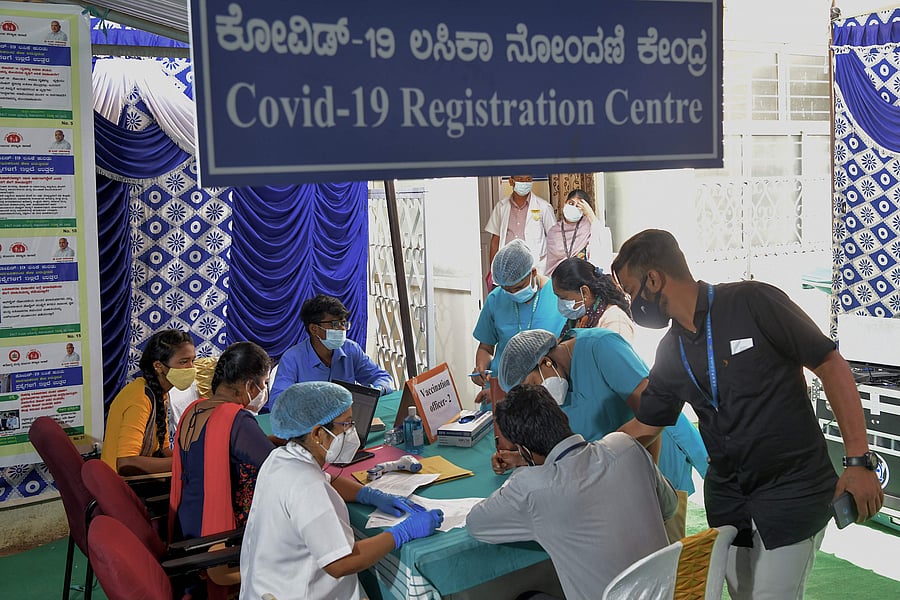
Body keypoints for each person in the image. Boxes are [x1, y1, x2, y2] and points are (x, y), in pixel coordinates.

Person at [610, 229, 884, 599]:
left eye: (631, 291)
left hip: (792, 494)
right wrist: (590, 455)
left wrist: (857, 461)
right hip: (730, 505)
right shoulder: (671, 351)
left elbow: (830, 364)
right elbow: (647, 422)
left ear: (655, 280)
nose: (631, 303)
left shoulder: (753, 302)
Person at [467, 384, 677, 598]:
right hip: (668, 592)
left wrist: (523, 473)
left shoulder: (531, 489)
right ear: (563, 418)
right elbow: (669, 507)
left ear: (524, 450)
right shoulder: (626, 446)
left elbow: (475, 524)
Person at [240, 381, 444, 600]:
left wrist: (369, 495)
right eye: (346, 424)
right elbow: (341, 562)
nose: (352, 431)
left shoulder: (281, 457)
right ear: (318, 433)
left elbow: (330, 480)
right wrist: (402, 533)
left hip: (268, 585)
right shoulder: (308, 487)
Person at [552, 256, 709, 539]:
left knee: (667, 553)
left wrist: (648, 477)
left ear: (584, 293)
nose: (560, 305)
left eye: (563, 298)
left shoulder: (609, 332)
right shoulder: (577, 329)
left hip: (655, 446)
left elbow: (647, 412)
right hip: (631, 450)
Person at [170, 342, 274, 600]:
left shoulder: (194, 410)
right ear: (249, 385)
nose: (264, 391)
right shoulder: (237, 419)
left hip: (188, 527)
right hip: (224, 537)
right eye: (263, 384)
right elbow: (280, 469)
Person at [470, 239, 565, 402]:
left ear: (533, 272)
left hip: (544, 391)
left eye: (518, 287)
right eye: (507, 289)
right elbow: (486, 347)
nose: (513, 293)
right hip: (500, 389)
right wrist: (481, 367)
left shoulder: (558, 296)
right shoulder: (496, 299)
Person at [269, 294, 394, 411]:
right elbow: (277, 403)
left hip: (345, 423)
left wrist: (376, 389)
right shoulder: (292, 358)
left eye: (343, 323)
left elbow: (383, 378)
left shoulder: (350, 349)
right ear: (314, 329)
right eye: (335, 324)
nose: (342, 329)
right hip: (309, 426)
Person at [101, 329, 196, 474]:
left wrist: (189, 460)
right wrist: (184, 462)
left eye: (192, 360)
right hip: (120, 485)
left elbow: (163, 450)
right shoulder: (140, 397)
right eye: (184, 362)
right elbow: (126, 461)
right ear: (158, 366)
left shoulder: (158, 393)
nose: (191, 368)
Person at [485, 175, 556, 277]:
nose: (524, 183)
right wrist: (493, 271)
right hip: (507, 266)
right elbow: (495, 241)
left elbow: (554, 239)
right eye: (520, 179)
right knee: (509, 292)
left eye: (528, 179)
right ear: (511, 181)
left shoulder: (543, 206)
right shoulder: (501, 207)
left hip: (535, 266)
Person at [553, 256, 634, 341]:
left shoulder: (614, 321)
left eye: (563, 297)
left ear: (584, 292)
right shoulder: (577, 320)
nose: (560, 303)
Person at [544, 189, 613, 276]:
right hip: (557, 279)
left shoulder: (589, 226)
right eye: (571, 203)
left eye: (578, 206)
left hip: (583, 278)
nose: (573, 207)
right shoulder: (554, 232)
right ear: (565, 203)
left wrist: (590, 214)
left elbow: (602, 242)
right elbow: (551, 264)